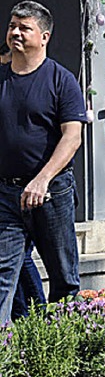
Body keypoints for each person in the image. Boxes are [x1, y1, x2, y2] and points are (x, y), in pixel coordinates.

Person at [0, 0, 87, 324]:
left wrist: (43, 179)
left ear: (45, 36)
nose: (15, 33)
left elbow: (72, 138)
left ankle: (65, 360)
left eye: (25, 27)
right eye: (12, 26)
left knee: (63, 278)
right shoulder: (1, 79)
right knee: (3, 276)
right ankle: (5, 362)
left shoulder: (61, 81)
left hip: (52, 193)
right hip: (7, 195)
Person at [0, 43, 46, 319]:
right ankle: (26, 313)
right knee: (13, 259)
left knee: (18, 257)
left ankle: (34, 312)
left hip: (27, 189)